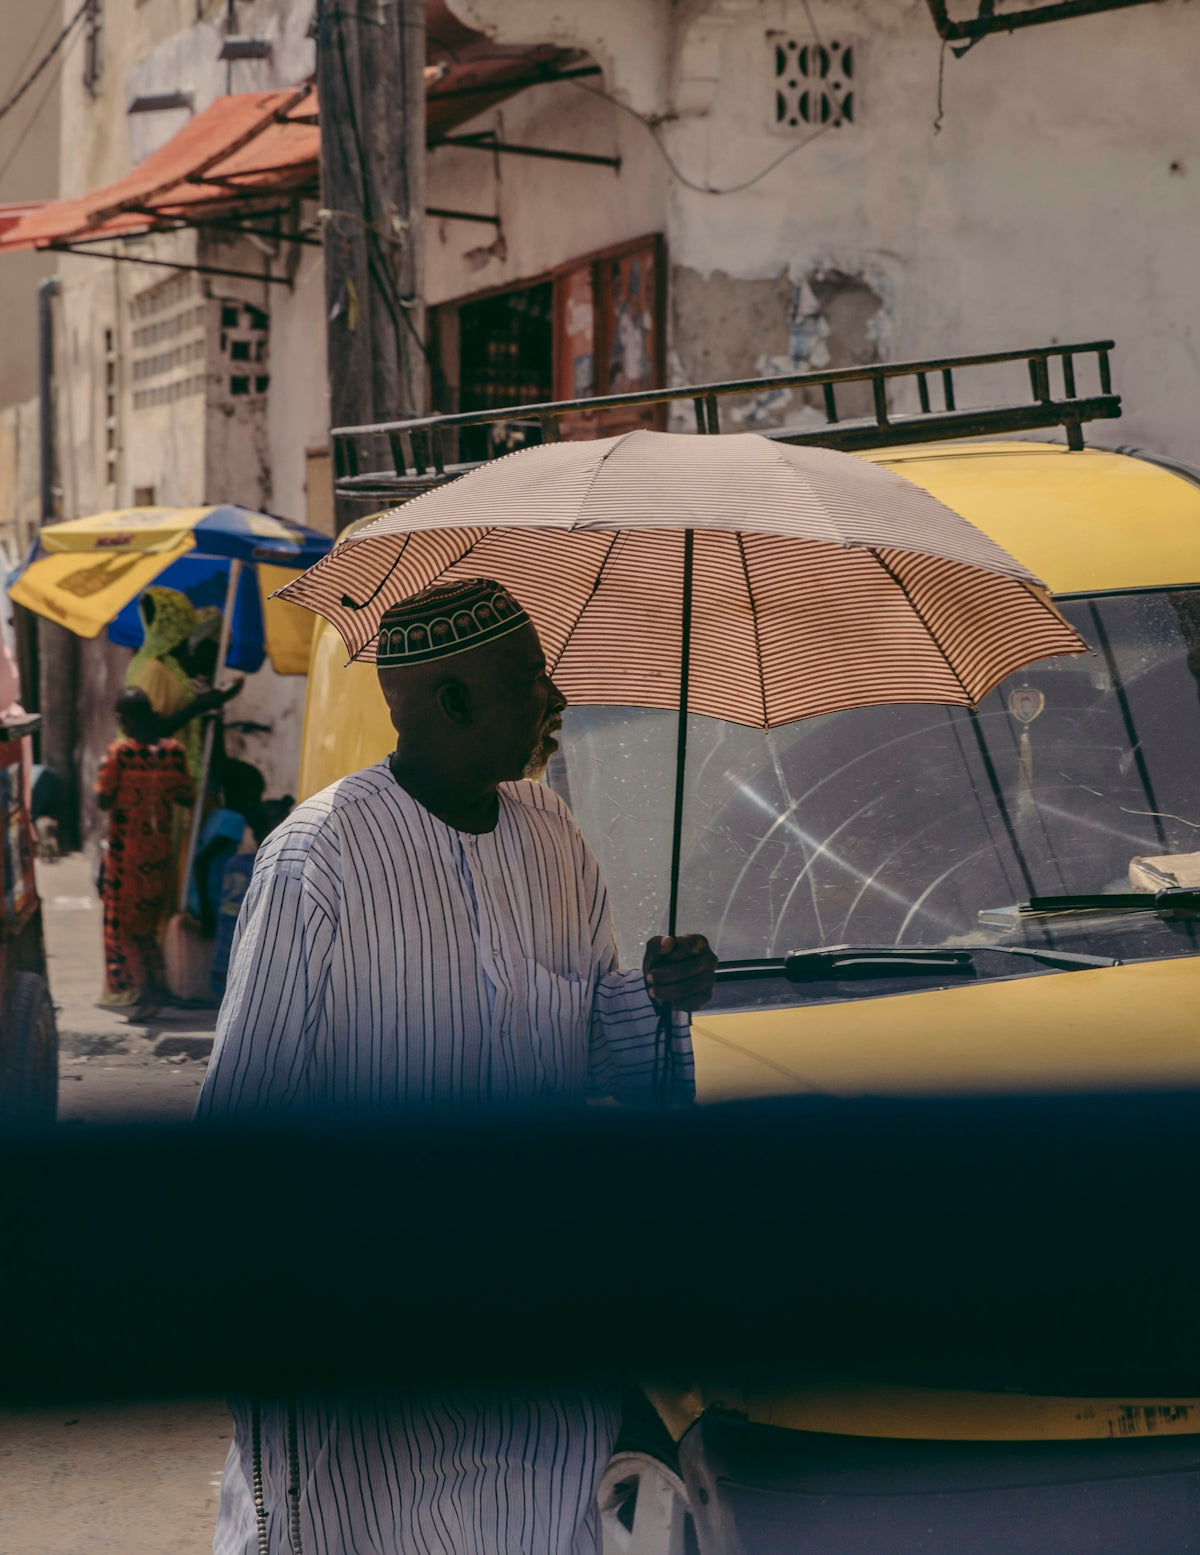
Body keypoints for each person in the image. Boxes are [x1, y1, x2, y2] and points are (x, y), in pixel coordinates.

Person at [196, 577, 718, 1555]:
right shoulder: (322, 857)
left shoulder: (555, 838)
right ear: (453, 701)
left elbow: (604, 1048)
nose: (554, 699)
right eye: (528, 679)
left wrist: (657, 996)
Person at [96, 688, 195, 1015]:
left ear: (125, 719)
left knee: (124, 926)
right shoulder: (174, 753)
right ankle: (159, 987)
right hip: (159, 853)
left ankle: (146, 995)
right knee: (148, 924)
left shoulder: (121, 755)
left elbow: (103, 799)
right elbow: (186, 794)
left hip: (127, 855)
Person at [126, 586, 243, 777]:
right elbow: (146, 731)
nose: (218, 661)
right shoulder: (154, 671)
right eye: (213, 651)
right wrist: (198, 707)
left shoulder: (183, 681)